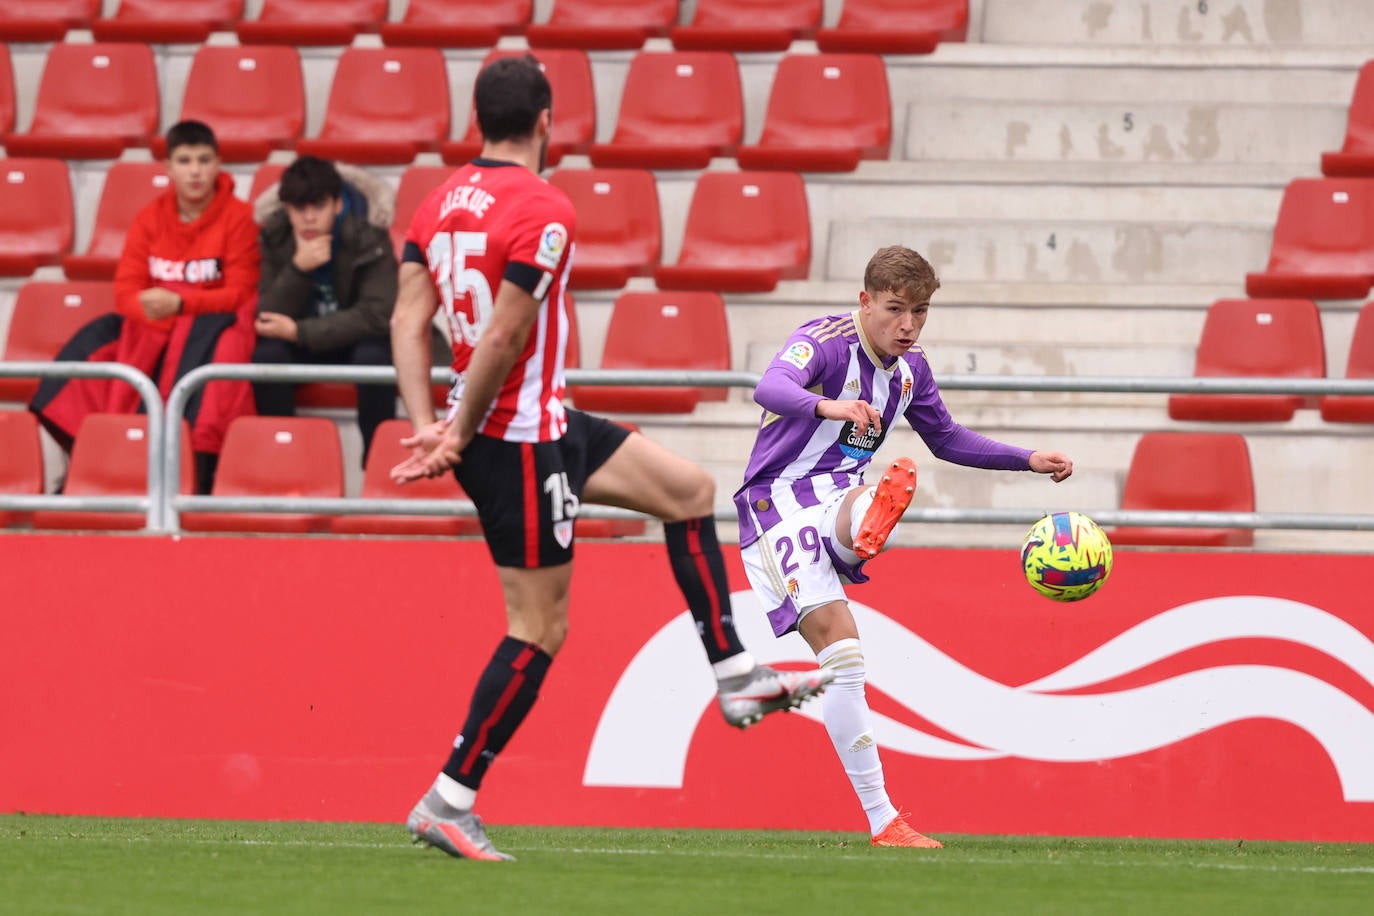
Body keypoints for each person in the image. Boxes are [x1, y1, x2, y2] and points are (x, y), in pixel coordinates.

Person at [389, 55, 833, 862]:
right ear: (548, 120)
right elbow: (504, 333)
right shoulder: (544, 207)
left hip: (543, 422)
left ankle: (734, 677)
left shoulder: (439, 202)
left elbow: (407, 316)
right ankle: (448, 797)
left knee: (689, 490)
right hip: (514, 439)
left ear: (479, 120)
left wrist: (428, 418)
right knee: (539, 627)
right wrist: (456, 433)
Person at [734, 245, 1075, 849]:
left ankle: (863, 529)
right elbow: (770, 385)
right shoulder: (824, 342)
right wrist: (828, 405)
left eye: (920, 311)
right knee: (845, 659)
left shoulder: (911, 369)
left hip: (838, 492)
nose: (909, 326)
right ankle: (862, 532)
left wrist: (1027, 459)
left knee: (846, 663)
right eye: (895, 309)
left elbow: (946, 439)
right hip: (778, 503)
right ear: (865, 303)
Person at [30, 120, 260, 494]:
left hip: (211, 324)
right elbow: (126, 293)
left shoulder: (239, 218)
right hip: (153, 325)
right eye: (185, 161)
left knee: (216, 353)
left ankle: (194, 478)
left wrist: (181, 302)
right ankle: (91, 466)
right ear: (168, 168)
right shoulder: (149, 218)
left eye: (204, 160)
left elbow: (239, 293)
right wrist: (162, 314)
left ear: (219, 164)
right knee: (88, 346)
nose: (196, 171)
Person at [252, 155, 398, 464]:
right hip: (303, 343)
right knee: (267, 356)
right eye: (298, 209)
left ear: (337, 205)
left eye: (317, 207)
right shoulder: (275, 236)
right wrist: (298, 270)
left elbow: (378, 315)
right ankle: (282, 458)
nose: (308, 219)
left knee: (374, 357)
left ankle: (377, 462)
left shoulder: (369, 236)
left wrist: (300, 331)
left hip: (354, 340)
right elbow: (265, 315)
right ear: (286, 209)